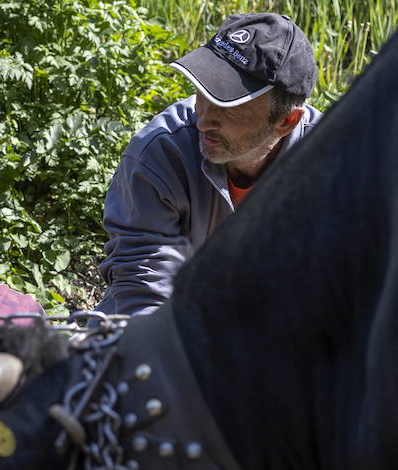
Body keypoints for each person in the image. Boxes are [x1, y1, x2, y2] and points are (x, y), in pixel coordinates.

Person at [98, 13, 321, 315]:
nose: (203, 120)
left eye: (230, 107)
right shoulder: (161, 153)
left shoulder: (330, 167)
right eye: (203, 92)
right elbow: (144, 286)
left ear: (286, 121)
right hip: (168, 323)